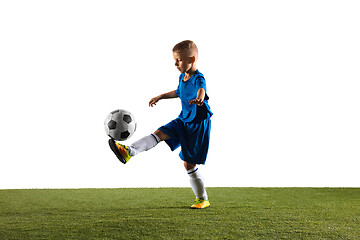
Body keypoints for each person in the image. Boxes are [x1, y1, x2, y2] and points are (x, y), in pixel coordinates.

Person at [108, 40, 213, 209]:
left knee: (189, 164)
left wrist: (200, 98)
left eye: (179, 60)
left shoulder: (199, 78)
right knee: (160, 133)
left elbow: (202, 89)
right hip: (183, 119)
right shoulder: (182, 77)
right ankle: (128, 151)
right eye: (175, 60)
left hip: (197, 124)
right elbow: (178, 92)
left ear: (192, 59)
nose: (175, 63)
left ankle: (202, 198)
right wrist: (160, 96)